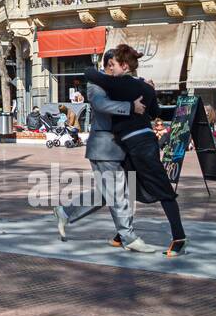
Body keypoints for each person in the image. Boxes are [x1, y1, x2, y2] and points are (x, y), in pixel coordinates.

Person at [83, 45, 188, 257]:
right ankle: (123, 234)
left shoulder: (118, 83)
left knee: (161, 189)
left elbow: (89, 72)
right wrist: (148, 90)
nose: (110, 69)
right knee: (127, 187)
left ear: (124, 65)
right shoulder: (143, 87)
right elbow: (156, 112)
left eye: (113, 65)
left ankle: (179, 237)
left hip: (141, 147)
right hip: (133, 146)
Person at [55, 50, 153, 251]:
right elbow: (100, 104)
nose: (126, 67)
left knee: (109, 193)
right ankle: (129, 237)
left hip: (125, 146)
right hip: (104, 146)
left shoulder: (124, 82)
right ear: (110, 64)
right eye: (122, 63)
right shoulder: (96, 84)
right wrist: (129, 106)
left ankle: (65, 211)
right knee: (117, 191)